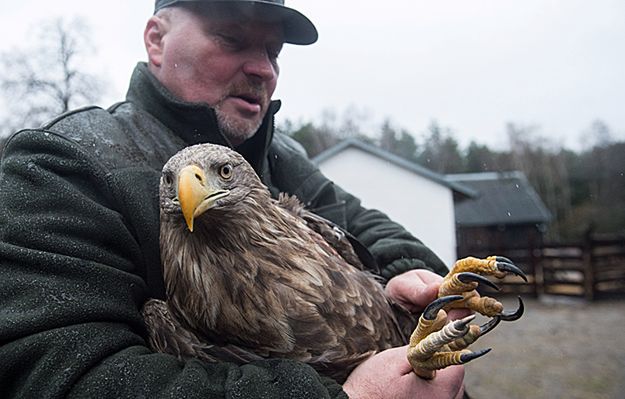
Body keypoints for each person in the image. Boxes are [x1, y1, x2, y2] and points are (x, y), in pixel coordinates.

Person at [0, 1, 466, 397]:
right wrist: (338, 396)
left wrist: (414, 280)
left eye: (272, 51)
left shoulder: (277, 157)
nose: (263, 68)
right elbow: (57, 373)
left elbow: (370, 228)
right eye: (232, 39)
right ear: (157, 40)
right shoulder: (62, 159)